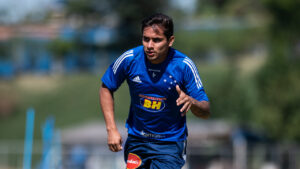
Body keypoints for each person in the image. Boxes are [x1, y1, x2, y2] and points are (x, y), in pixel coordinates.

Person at [99, 13, 210, 169]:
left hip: (170, 145)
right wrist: (111, 129)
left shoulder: (184, 65)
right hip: (137, 141)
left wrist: (192, 102)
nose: (149, 45)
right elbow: (106, 88)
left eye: (157, 40)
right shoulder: (129, 59)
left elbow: (205, 111)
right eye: (146, 39)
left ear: (170, 41)